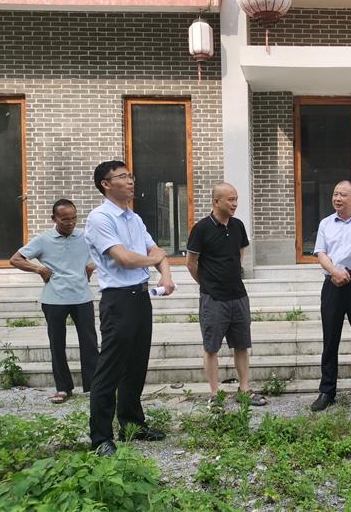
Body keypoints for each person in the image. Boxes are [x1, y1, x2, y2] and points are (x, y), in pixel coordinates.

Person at [85, 160, 175, 457]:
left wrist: (166, 275)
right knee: (110, 368)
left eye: (131, 176)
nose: (131, 181)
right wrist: (154, 260)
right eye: (123, 177)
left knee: (136, 365)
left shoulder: (133, 218)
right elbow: (124, 258)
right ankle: (101, 438)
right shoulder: (100, 218)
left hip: (140, 298)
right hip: (118, 300)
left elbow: (156, 250)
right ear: (106, 184)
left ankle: (132, 424)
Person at [10, 199, 99, 405]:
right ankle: (63, 387)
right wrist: (39, 269)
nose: (71, 223)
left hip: (82, 297)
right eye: (65, 219)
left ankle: (95, 386)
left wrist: (92, 265)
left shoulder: (86, 236)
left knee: (89, 342)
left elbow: (105, 254)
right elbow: (15, 259)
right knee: (57, 344)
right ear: (54, 219)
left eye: (74, 218)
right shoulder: (43, 239)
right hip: (54, 299)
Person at [186, 182, 267, 407]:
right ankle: (215, 394)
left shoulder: (238, 226)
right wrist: (207, 284)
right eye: (230, 199)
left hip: (238, 296)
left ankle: (245, 389)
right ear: (216, 201)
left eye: (236, 199)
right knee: (211, 347)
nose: (235, 203)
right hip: (213, 299)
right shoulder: (201, 229)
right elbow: (191, 263)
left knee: (241, 344)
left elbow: (239, 255)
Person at [310, 180, 351, 415]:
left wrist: (348, 271)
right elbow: (321, 253)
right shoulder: (325, 223)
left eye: (343, 194)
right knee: (330, 340)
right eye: (335, 194)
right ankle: (327, 391)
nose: (337, 198)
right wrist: (334, 272)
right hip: (332, 285)